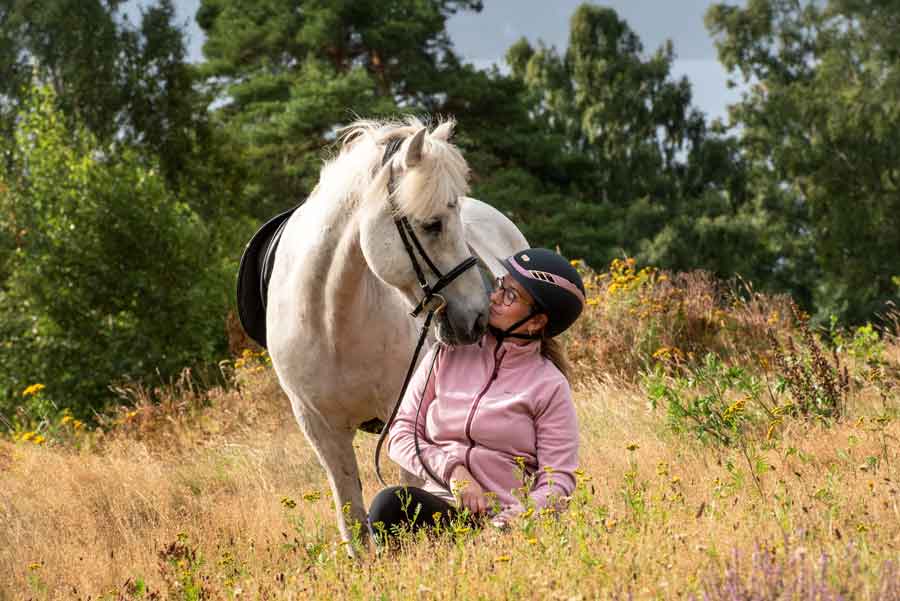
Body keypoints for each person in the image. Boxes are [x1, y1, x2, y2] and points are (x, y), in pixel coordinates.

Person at [368, 248, 585, 540]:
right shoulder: (447, 352)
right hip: (442, 505)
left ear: (536, 322)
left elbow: (557, 480)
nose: (494, 297)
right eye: (499, 286)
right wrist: (453, 472)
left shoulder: (549, 385)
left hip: (504, 524)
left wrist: (509, 527)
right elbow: (401, 433)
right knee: (388, 505)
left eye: (511, 295)